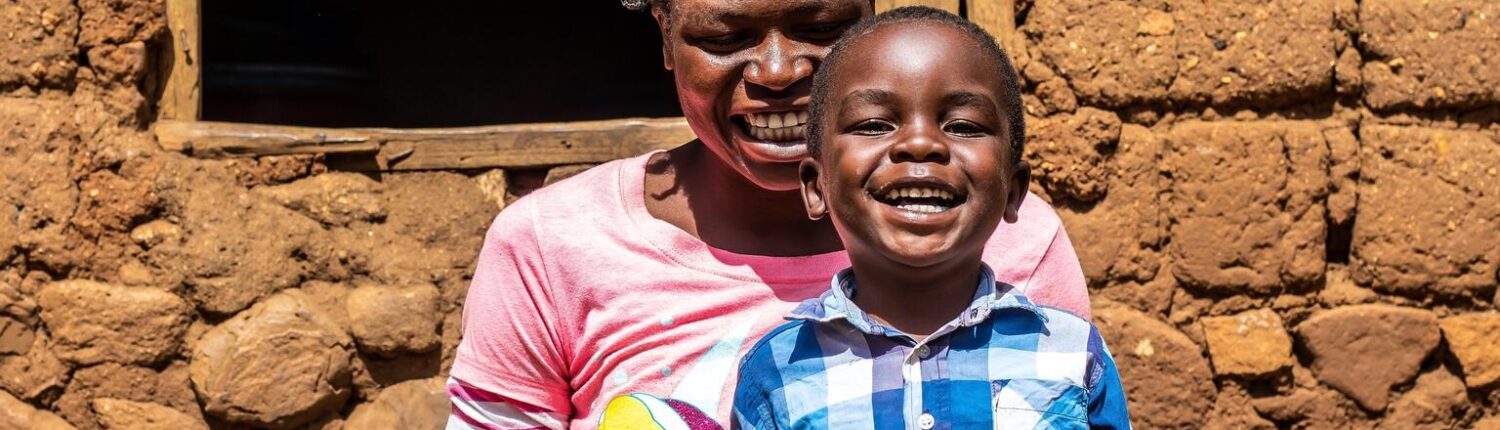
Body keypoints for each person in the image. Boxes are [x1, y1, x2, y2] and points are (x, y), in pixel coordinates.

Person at [446, 1, 1092, 428]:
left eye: (821, 28)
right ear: (667, 39)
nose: (780, 71)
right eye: (724, 38)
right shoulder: (552, 243)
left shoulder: (1008, 239)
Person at [731, 7, 1130, 429]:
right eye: (872, 124)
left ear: (1013, 191)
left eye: (963, 126)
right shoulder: (778, 371)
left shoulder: (1071, 355)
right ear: (816, 187)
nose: (920, 143)